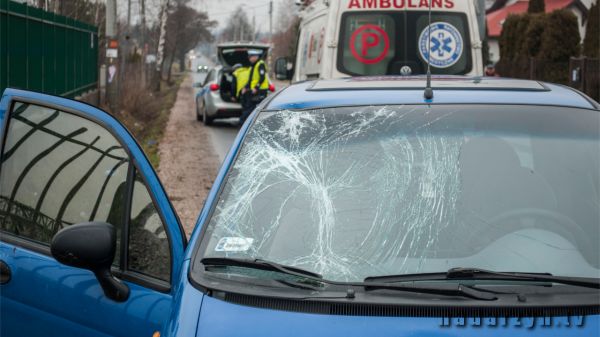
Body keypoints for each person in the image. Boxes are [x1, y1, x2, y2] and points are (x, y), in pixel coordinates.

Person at [240, 49, 269, 125]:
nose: (249, 59)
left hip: (260, 90)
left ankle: (244, 122)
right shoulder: (253, 66)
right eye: (249, 57)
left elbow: (262, 78)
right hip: (254, 91)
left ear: (256, 57)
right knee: (249, 107)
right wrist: (245, 88)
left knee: (256, 108)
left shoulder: (260, 64)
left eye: (251, 57)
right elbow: (251, 80)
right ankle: (247, 123)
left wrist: (256, 88)